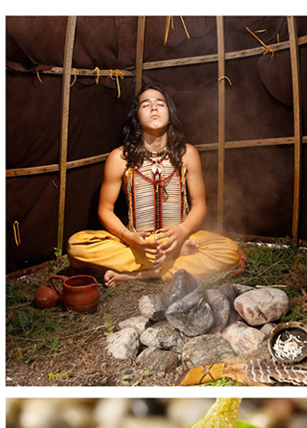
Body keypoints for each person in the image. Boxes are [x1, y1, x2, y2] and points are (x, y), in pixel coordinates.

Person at [68, 83, 244, 287]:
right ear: (136, 117)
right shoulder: (119, 158)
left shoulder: (187, 154)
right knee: (76, 245)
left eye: (160, 103)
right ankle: (175, 259)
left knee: (229, 251)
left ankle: (141, 273)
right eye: (146, 105)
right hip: (137, 244)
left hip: (179, 239)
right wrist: (131, 238)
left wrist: (181, 232)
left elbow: (199, 205)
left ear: (170, 114)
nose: (153, 107)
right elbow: (105, 210)